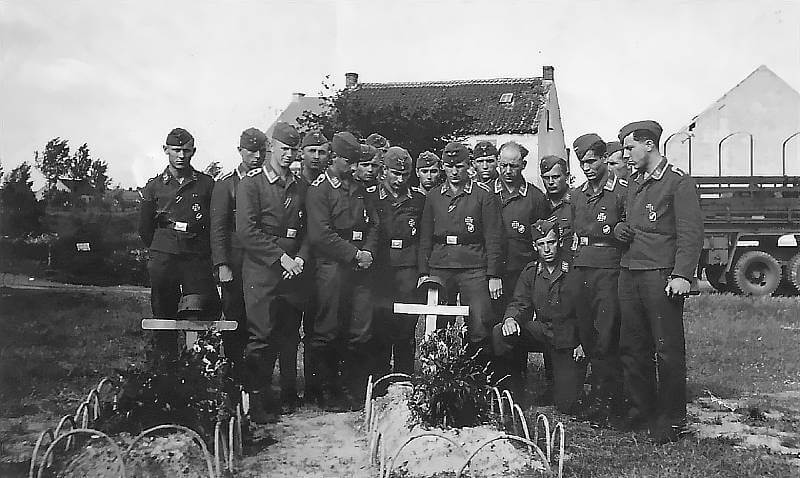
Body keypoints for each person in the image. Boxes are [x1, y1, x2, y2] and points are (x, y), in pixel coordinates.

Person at [615, 120, 703, 443]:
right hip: (630, 272)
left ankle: (671, 419)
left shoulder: (677, 182)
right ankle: (642, 412)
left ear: (649, 144)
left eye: (629, 147)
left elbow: (691, 233)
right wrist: (619, 230)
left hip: (660, 276)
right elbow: (634, 222)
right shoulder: (634, 182)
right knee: (633, 347)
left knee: (667, 350)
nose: (625, 155)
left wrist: (682, 274)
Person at [306, 131, 380, 410]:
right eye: (348, 161)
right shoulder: (320, 190)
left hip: (360, 266)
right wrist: (354, 254)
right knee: (328, 328)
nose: (353, 167)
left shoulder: (360, 188)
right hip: (333, 266)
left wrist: (369, 252)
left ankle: (351, 386)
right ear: (333, 158)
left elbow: (374, 224)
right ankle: (325, 389)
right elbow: (320, 235)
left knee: (360, 327)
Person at [418, 142, 504, 358]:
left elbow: (493, 237)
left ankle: (478, 378)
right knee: (439, 324)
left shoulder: (483, 195)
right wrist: (423, 272)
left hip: (473, 266)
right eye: (449, 166)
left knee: (479, 323)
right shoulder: (434, 196)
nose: (454, 172)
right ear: (443, 167)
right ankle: (439, 376)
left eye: (460, 166)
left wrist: (493, 274)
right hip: (441, 265)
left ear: (469, 167)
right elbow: (425, 236)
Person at [139, 127, 218, 359]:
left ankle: (198, 369)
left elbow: (214, 222)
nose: (181, 156)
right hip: (165, 257)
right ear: (166, 150)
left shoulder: (205, 184)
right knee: (164, 316)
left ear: (193, 151)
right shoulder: (154, 187)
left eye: (186, 151)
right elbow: (145, 229)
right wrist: (161, 249)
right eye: (176, 150)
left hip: (195, 257)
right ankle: (166, 370)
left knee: (199, 315)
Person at [492, 219, 586, 413]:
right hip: (543, 331)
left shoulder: (575, 270)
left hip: (568, 338)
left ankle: (566, 386)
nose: (547, 249)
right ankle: (513, 392)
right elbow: (520, 302)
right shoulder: (531, 272)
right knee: (502, 332)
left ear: (559, 243)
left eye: (551, 243)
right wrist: (510, 319)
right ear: (535, 247)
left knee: (566, 404)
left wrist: (584, 342)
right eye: (541, 244)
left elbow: (586, 310)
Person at [569, 133, 627, 426]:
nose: (587, 167)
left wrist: (616, 230)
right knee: (587, 334)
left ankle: (610, 402)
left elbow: (627, 229)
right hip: (582, 268)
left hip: (608, 269)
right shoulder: (578, 194)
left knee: (606, 335)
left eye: (592, 161)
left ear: (605, 159)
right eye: (582, 162)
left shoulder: (621, 192)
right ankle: (595, 397)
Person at [210, 127, 268, 373]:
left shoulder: (267, 183)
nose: (256, 156)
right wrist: (222, 264)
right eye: (251, 151)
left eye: (261, 151)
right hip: (235, 260)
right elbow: (219, 227)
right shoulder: (227, 184)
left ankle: (256, 377)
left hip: (260, 261)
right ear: (240, 151)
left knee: (260, 321)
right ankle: (235, 372)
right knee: (235, 318)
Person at [373, 146, 426, 376]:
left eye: (405, 174)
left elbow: (424, 237)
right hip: (382, 268)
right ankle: (381, 377)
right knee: (382, 324)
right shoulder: (372, 197)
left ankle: (404, 376)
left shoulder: (418, 200)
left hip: (408, 267)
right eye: (395, 173)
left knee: (406, 326)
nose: (400, 179)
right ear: (384, 171)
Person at [540, 155, 575, 255]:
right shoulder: (538, 202)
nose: (551, 182)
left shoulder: (577, 200)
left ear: (567, 176)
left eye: (556, 177)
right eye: (546, 178)